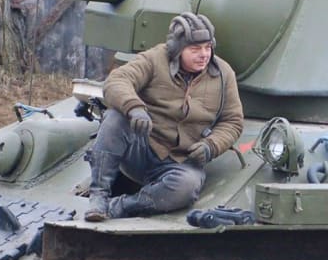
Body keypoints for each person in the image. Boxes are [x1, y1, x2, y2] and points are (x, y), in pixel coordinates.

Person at [83, 12, 243, 221]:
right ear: (177, 49)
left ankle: (122, 206)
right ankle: (99, 196)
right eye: (195, 49)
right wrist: (134, 108)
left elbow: (233, 121)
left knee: (187, 186)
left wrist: (211, 145)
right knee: (115, 118)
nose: (203, 54)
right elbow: (117, 81)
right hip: (141, 145)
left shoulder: (223, 74)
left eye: (207, 47)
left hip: (180, 159)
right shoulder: (155, 59)